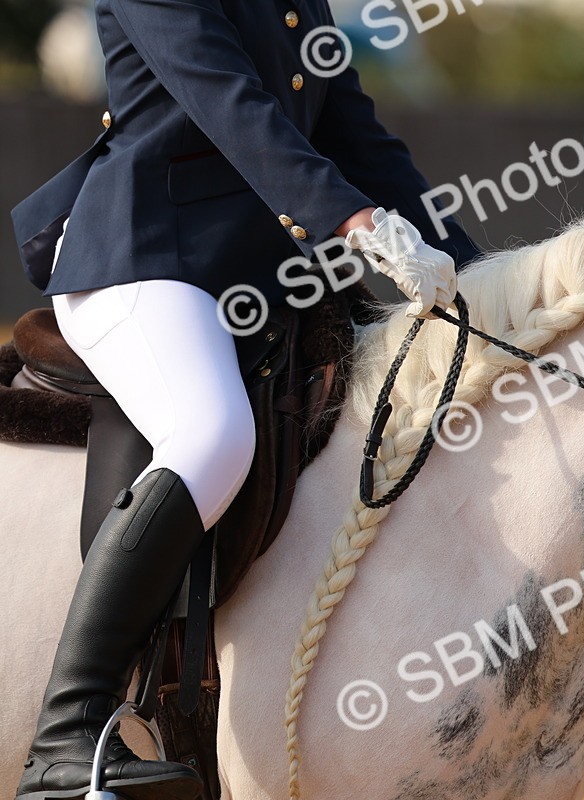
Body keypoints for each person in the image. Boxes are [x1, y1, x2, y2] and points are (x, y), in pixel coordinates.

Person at [9, 1, 480, 798]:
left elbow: (355, 133)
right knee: (211, 436)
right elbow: (228, 100)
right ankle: (68, 732)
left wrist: (482, 276)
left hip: (264, 280)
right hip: (147, 257)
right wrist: (357, 219)